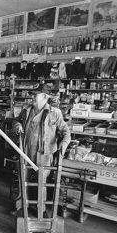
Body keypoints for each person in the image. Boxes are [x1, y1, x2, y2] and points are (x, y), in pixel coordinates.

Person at [12, 82, 71, 215]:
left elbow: (66, 133)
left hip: (44, 154)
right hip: (26, 150)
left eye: (35, 95)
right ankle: (20, 206)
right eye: (32, 95)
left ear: (45, 97)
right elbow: (15, 120)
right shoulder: (26, 110)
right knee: (23, 179)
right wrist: (17, 125)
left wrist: (63, 146)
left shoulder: (55, 113)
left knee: (42, 182)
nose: (32, 97)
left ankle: (41, 209)